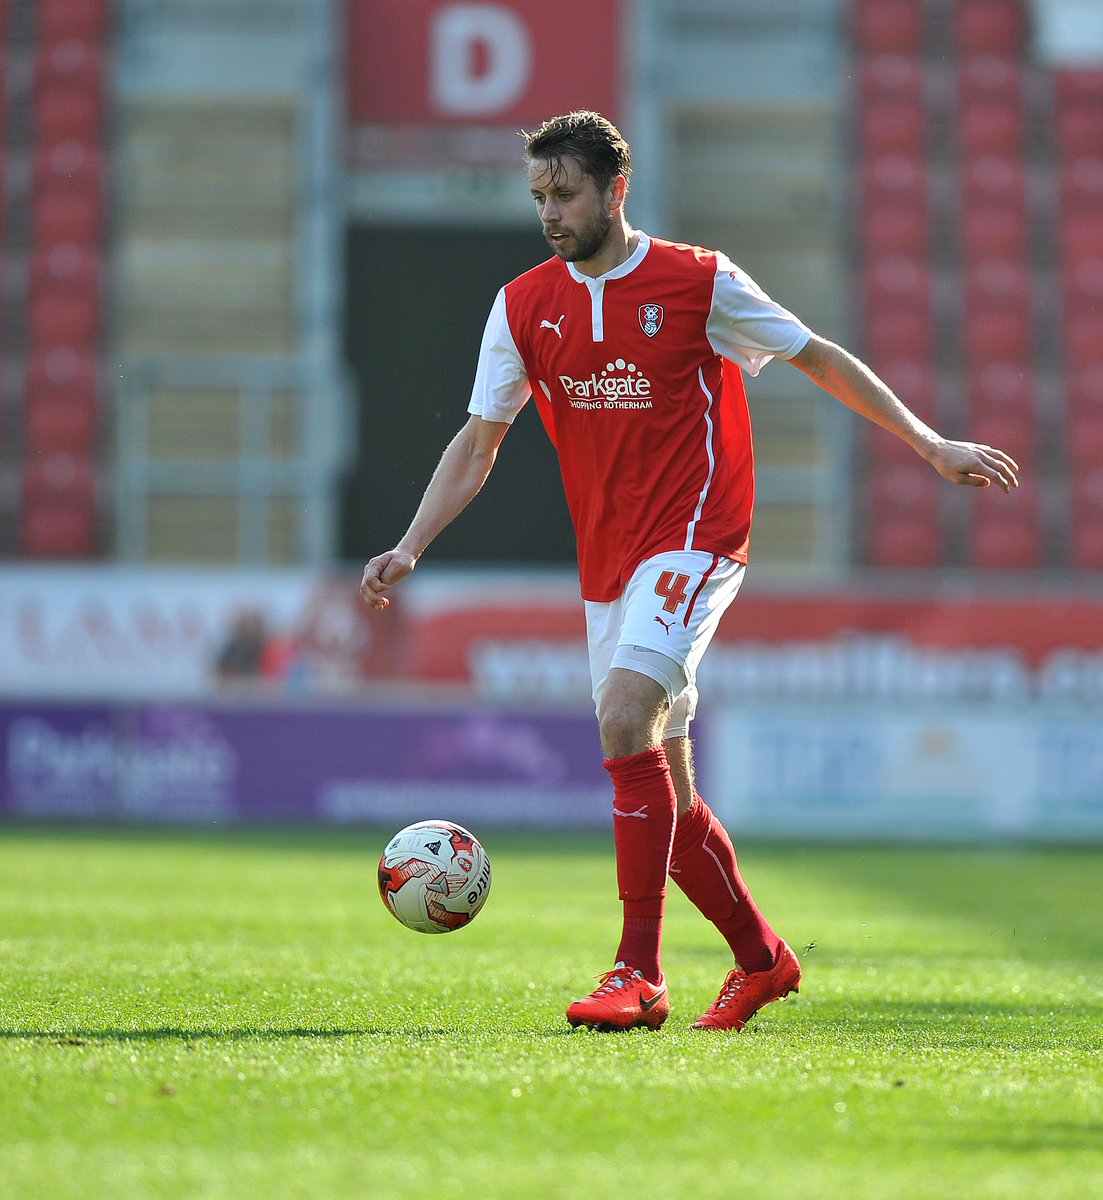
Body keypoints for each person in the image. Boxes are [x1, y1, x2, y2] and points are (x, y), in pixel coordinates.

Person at [360, 111, 1019, 1033]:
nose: (550, 212)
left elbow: (815, 355)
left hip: (698, 536)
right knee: (666, 790)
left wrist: (926, 442)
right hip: (610, 562)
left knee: (623, 714)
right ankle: (763, 962)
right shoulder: (521, 306)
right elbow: (480, 440)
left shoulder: (698, 280)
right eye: (539, 196)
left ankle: (638, 972)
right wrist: (412, 543)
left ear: (614, 191)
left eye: (566, 194)